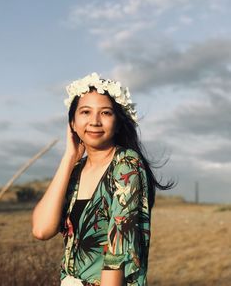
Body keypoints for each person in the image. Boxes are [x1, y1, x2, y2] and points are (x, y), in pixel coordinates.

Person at [32, 72, 174, 286]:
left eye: (105, 113)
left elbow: (117, 254)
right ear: (72, 123)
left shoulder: (126, 164)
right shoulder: (76, 171)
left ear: (117, 122)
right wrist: (69, 158)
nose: (94, 121)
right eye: (85, 112)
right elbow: (42, 230)